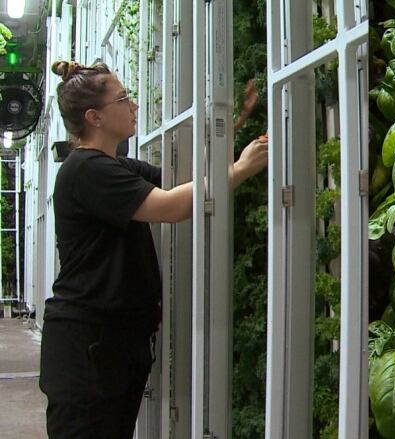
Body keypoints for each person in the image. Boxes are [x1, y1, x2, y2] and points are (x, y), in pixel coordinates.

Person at [38, 60, 268, 439]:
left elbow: (186, 182)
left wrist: (238, 121)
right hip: (88, 348)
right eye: (124, 98)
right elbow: (171, 207)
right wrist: (240, 170)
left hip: (110, 343)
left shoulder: (114, 166)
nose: (134, 106)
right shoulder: (86, 171)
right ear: (95, 117)